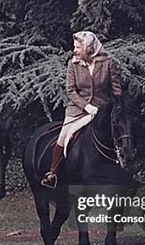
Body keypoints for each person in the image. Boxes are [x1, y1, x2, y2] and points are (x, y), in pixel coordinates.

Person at [41, 31, 122, 188]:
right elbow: (70, 91)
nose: (75, 50)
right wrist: (86, 106)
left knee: (120, 135)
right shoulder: (73, 64)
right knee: (63, 137)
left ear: (89, 47)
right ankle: (53, 173)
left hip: (102, 111)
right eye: (75, 47)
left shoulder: (107, 63)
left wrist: (114, 106)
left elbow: (116, 89)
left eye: (78, 47)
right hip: (77, 111)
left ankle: (127, 170)